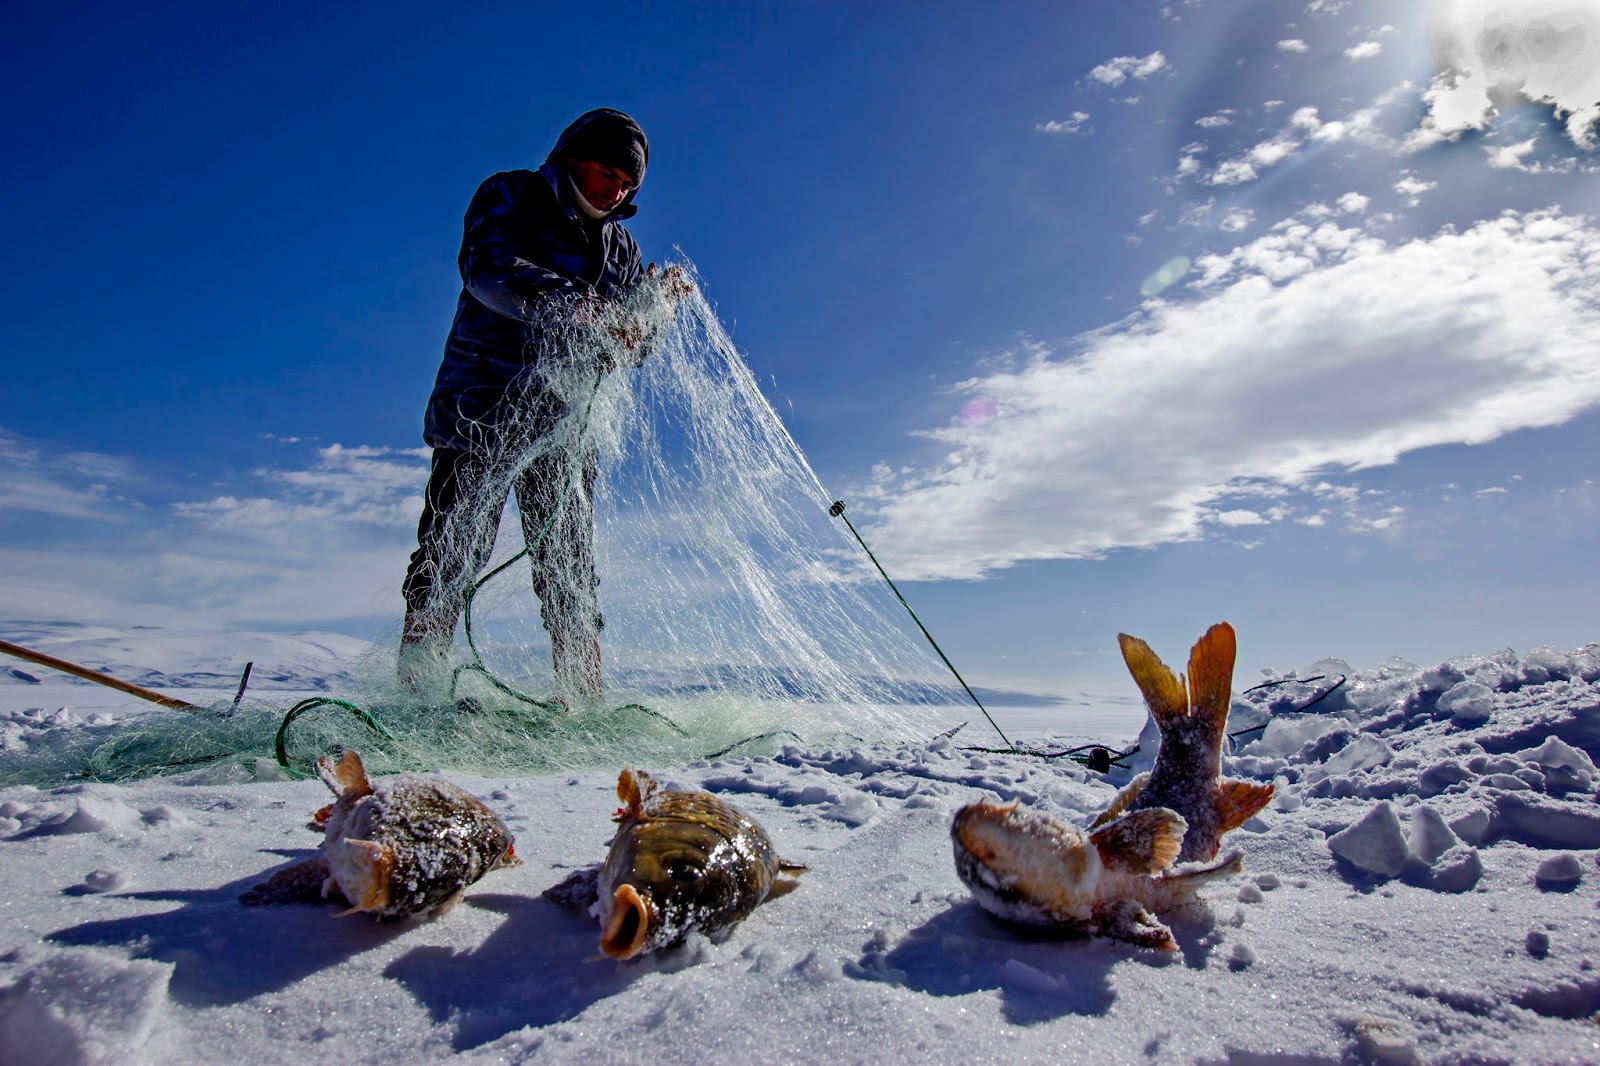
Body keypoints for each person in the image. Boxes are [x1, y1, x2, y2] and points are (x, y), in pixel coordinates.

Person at [398, 108, 689, 699]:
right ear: (572, 156)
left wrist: (656, 307)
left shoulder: (623, 250)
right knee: (450, 553)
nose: (617, 187)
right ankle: (415, 692)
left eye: (628, 183)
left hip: (562, 429)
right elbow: (486, 269)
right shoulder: (511, 194)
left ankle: (581, 700)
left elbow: (628, 346)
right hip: (480, 408)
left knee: (571, 571)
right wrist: (574, 302)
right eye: (607, 171)